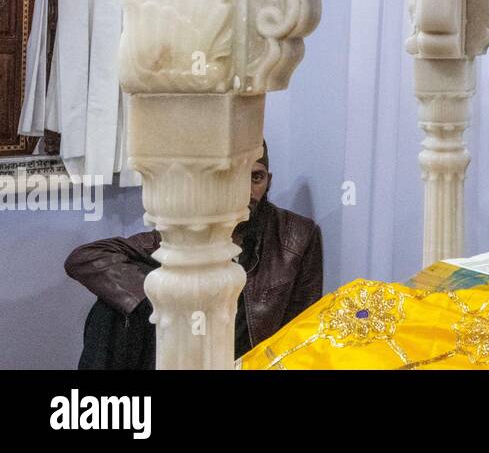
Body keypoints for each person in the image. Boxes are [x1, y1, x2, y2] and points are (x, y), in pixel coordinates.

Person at [65, 140, 323, 368]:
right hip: (189, 356)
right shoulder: (189, 227)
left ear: (269, 181)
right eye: (235, 177)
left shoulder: (297, 237)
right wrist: (160, 296)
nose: (246, 191)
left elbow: (305, 330)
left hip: (249, 363)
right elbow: (84, 257)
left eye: (256, 178)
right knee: (111, 310)